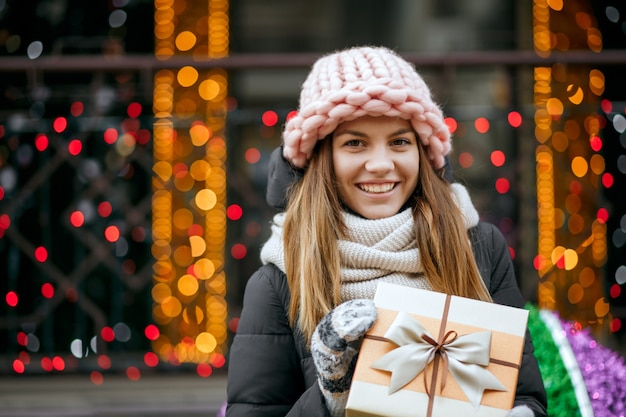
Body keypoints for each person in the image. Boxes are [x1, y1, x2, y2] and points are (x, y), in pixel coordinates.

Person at [226, 46, 548, 417]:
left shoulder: (479, 247)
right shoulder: (279, 280)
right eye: (354, 143)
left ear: (423, 153)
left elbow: (526, 398)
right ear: (321, 158)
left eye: (399, 141)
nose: (380, 164)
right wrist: (332, 394)